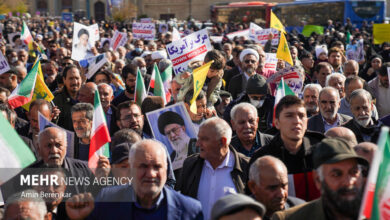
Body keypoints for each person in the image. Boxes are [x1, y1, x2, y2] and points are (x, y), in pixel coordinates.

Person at [65, 139, 204, 220]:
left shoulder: (190, 210)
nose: (150, 174)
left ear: (166, 169)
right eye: (143, 166)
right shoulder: (106, 201)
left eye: (157, 166)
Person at [272, 138, 368, 220]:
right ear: (318, 179)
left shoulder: (378, 213)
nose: (349, 182)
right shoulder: (289, 218)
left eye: (354, 172)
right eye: (337, 174)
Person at [178, 117, 249, 220]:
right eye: (198, 138)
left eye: (204, 139)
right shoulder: (190, 165)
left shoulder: (246, 166)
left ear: (222, 142)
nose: (198, 144)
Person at [250, 95, 324, 175]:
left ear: (307, 121)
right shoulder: (262, 159)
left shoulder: (323, 152)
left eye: (301, 116)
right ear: (277, 123)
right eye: (289, 116)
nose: (297, 121)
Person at [53, 65, 82, 131]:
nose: (75, 82)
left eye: (77, 78)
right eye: (71, 78)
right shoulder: (56, 99)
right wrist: (54, 117)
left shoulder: (87, 95)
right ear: (64, 80)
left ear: (81, 79)